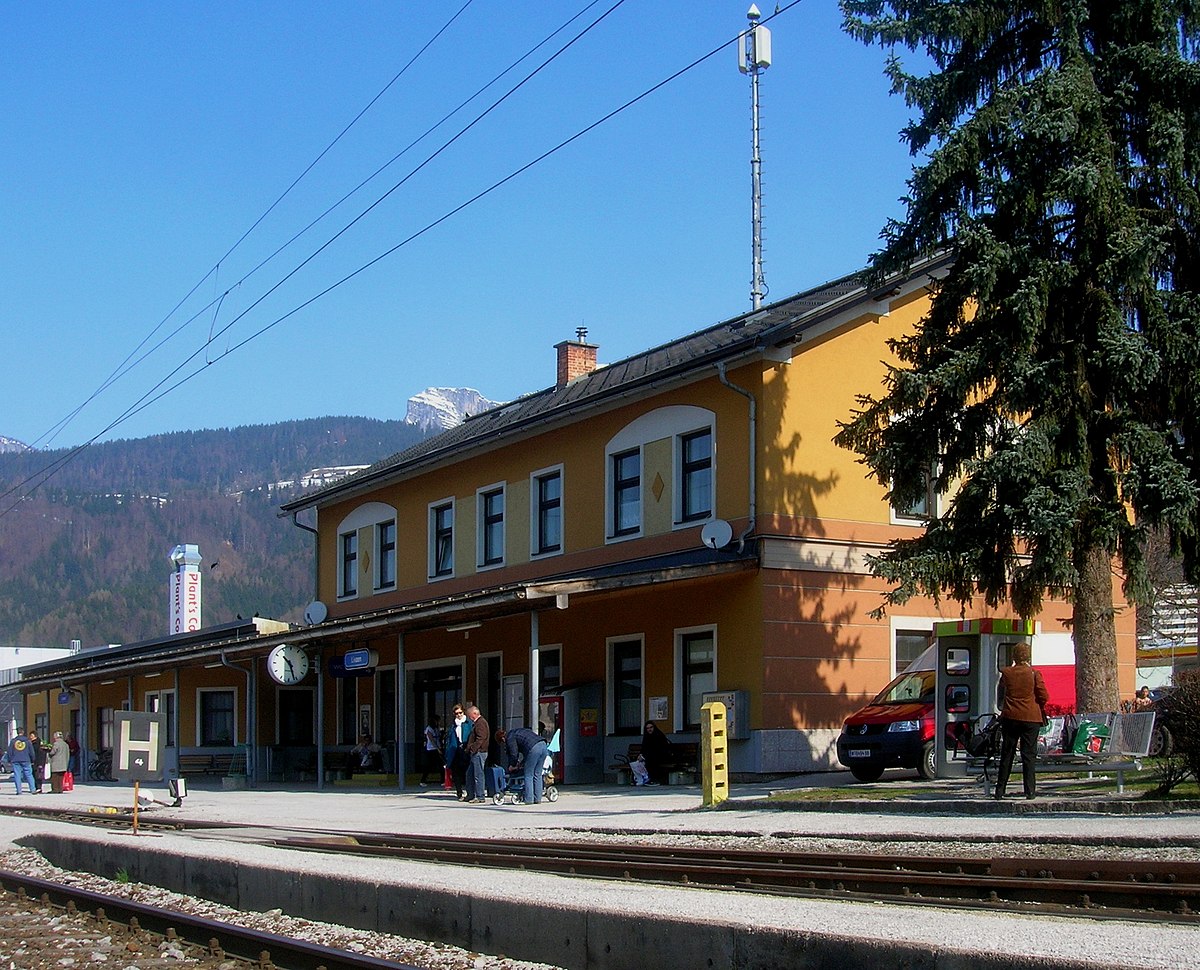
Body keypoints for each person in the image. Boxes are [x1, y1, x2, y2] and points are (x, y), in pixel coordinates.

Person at [994, 642, 1050, 800]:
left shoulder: (1007, 673)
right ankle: (1030, 791)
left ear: (1014, 657)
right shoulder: (1034, 673)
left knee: (1007, 753)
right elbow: (1044, 696)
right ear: (1028, 656)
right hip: (1031, 718)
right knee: (1028, 755)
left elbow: (1001, 694)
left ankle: (1000, 790)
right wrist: (1036, 704)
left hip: (1010, 717)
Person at [505, 726, 549, 804]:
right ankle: (537, 798)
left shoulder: (510, 737)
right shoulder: (519, 731)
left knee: (528, 775)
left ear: (503, 738)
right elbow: (527, 753)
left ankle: (529, 799)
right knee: (538, 774)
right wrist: (521, 763)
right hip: (543, 745)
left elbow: (514, 753)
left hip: (534, 748)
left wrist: (512, 765)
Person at [444, 703, 473, 799]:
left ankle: (470, 792)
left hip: (466, 749)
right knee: (456, 772)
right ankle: (459, 792)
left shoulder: (468, 723)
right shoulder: (453, 725)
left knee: (467, 771)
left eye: (460, 712)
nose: (459, 715)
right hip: (455, 750)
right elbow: (450, 740)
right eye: (456, 713)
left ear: (463, 712)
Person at [463, 704, 491, 803]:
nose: (469, 718)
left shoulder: (480, 723)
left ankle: (480, 796)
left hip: (479, 752)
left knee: (478, 775)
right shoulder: (477, 723)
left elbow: (481, 738)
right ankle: (470, 795)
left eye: (470, 715)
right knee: (469, 774)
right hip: (477, 752)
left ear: (475, 713)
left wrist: (473, 748)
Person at [640, 721, 674, 785]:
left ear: (654, 727)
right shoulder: (646, 737)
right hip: (651, 756)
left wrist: (646, 755)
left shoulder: (659, 735)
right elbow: (644, 748)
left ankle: (654, 779)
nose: (649, 729)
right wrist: (641, 755)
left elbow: (661, 748)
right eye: (647, 728)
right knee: (646, 760)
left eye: (651, 727)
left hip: (662, 756)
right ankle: (642, 779)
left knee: (651, 760)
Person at [6, 728, 36, 795]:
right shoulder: (28, 741)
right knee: (29, 775)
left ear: (17, 732)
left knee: (17, 775)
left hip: (16, 760)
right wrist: (33, 759)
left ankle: (19, 791)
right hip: (26, 759)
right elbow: (31, 752)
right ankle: (33, 789)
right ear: (23, 732)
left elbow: (9, 752)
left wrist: (9, 760)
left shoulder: (13, 741)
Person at [419, 715, 442, 786]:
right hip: (431, 749)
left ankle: (443, 779)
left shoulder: (436, 729)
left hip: (437, 747)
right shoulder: (429, 729)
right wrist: (437, 748)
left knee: (440, 764)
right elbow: (431, 739)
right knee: (429, 765)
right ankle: (423, 780)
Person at [27, 730, 48, 794]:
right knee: (34, 774)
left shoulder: (38, 743)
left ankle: (38, 787)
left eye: (31, 736)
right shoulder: (32, 743)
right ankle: (36, 787)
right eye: (30, 736)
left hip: (38, 761)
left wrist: (41, 763)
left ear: (35, 736)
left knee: (38, 775)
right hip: (34, 761)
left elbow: (41, 753)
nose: (30, 737)